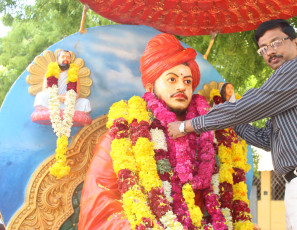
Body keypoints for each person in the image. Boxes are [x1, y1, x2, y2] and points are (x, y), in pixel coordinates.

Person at [168, 19, 297, 230]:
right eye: (263, 48)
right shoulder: (284, 93)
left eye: (276, 42)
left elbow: (248, 107)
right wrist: (229, 113)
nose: (270, 51)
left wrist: (185, 127)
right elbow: (267, 139)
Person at [78, 33, 255, 229]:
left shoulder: (210, 138)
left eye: (188, 82)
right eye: (172, 79)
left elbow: (224, 205)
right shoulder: (122, 137)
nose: (181, 86)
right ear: (149, 86)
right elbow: (99, 207)